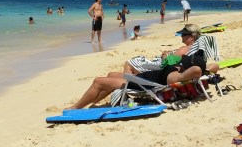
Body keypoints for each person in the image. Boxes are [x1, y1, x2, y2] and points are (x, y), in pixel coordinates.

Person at [69, 27, 206, 109]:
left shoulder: (176, 75)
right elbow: (210, 67)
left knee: (98, 81)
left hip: (142, 84)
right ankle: (94, 101)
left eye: (185, 61)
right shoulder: (176, 69)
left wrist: (185, 66)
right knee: (111, 74)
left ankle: (75, 108)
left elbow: (196, 71)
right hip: (142, 78)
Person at [123, 24, 220, 75]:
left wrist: (164, 55)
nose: (181, 36)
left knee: (129, 63)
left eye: (184, 34)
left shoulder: (184, 49)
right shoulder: (199, 50)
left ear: (192, 37)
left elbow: (166, 64)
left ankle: (128, 85)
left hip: (161, 69)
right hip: (177, 68)